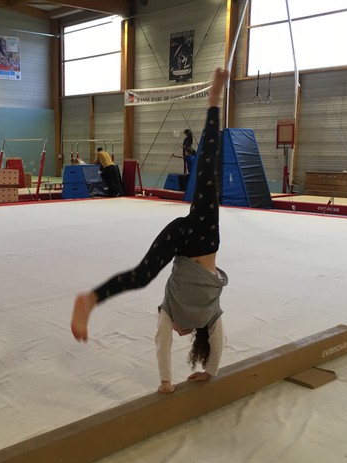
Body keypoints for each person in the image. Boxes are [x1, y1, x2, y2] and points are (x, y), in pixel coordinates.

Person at [71, 67, 230, 394]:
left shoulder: (172, 312)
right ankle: (214, 102)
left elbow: (162, 340)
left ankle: (90, 300)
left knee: (142, 275)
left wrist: (167, 381)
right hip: (203, 236)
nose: (176, 332)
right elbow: (217, 342)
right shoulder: (210, 317)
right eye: (183, 333)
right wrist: (210, 372)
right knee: (209, 170)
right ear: (194, 331)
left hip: (188, 240)